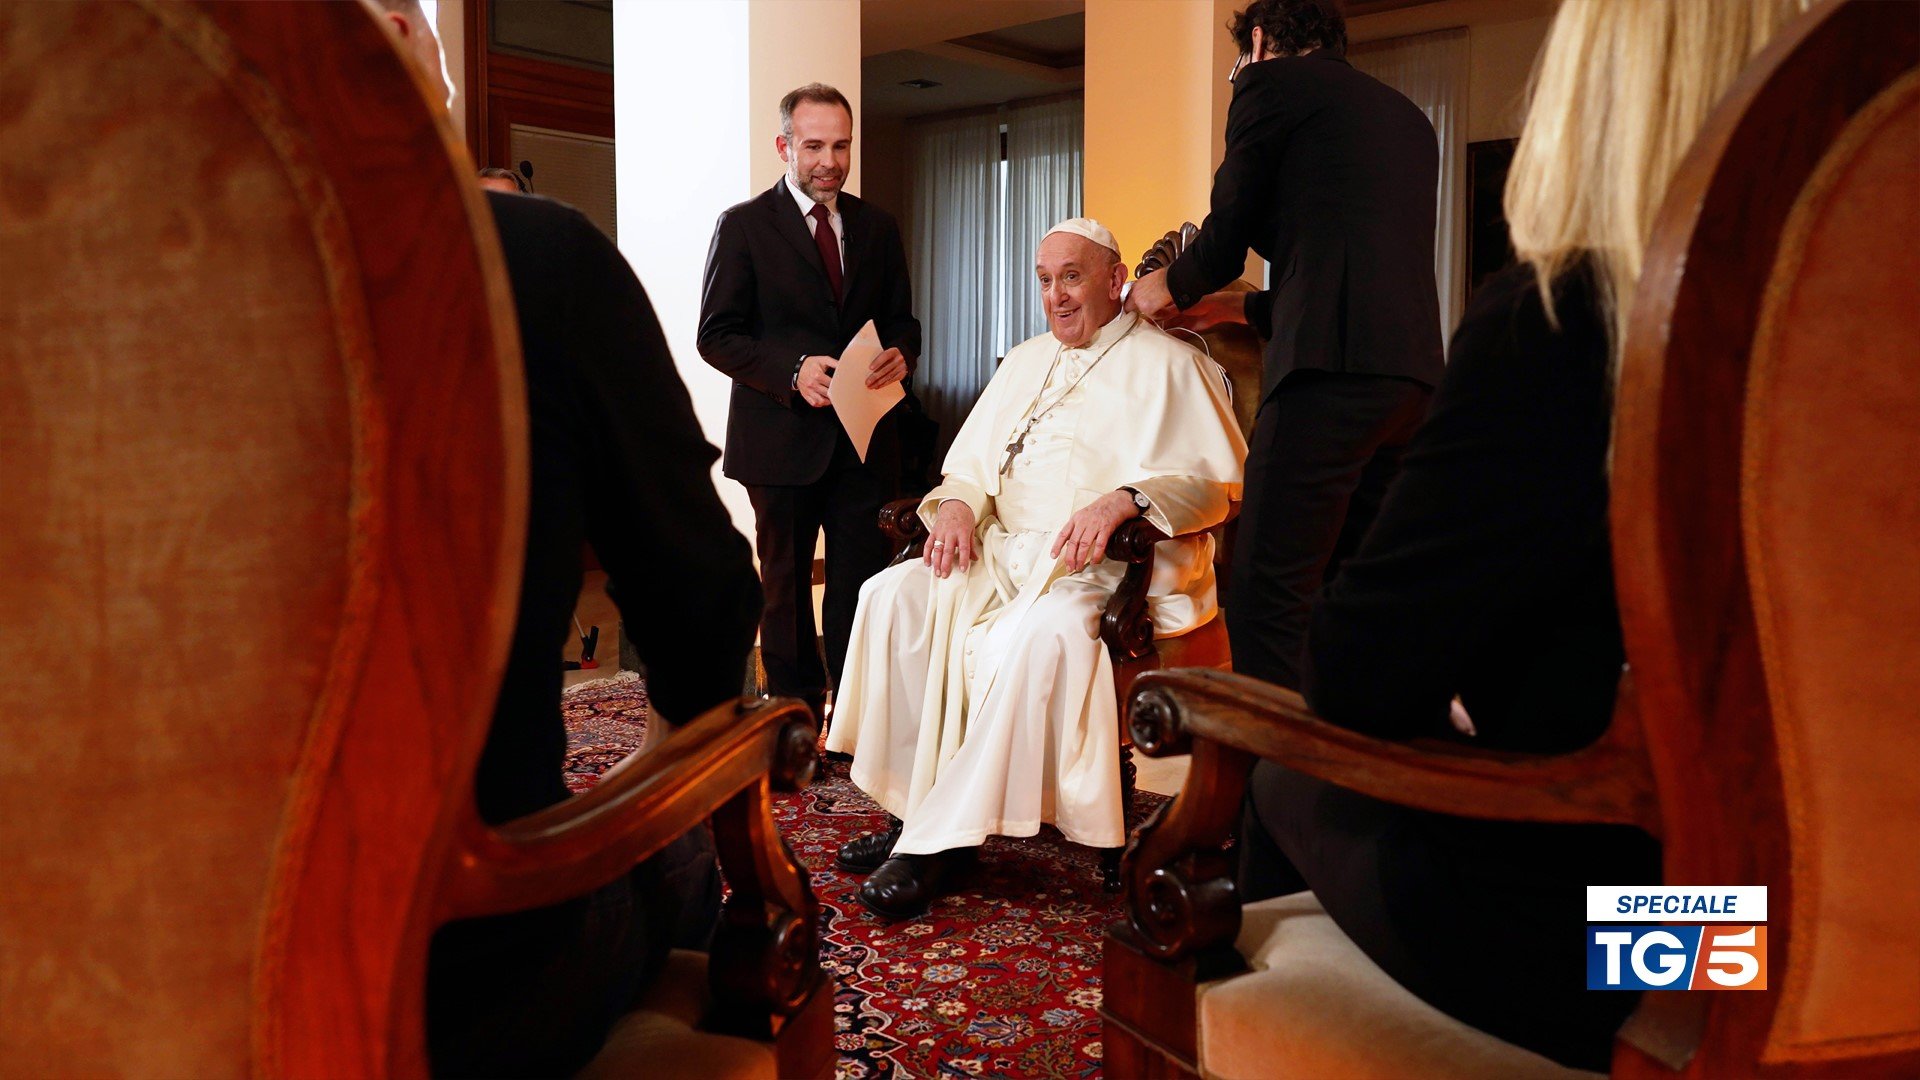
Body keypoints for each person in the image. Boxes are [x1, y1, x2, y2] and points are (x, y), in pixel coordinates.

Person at [1234, 0, 1811, 1069]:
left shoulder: (1567, 323)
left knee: (1271, 768)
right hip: (1850, 928)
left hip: (1652, 944)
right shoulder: (1862, 350)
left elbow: (1356, 678)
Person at [369, 2, 763, 1074]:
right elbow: (703, 602)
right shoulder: (537, 263)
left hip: (108, 987)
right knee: (680, 854)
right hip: (467, 975)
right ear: (402, 48)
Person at [827, 220, 1246, 917]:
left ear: (1116, 282)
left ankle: (938, 847)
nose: (1055, 296)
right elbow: (967, 469)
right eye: (1045, 280)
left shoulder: (1177, 367)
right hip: (1002, 552)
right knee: (891, 595)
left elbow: (1217, 486)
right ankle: (911, 808)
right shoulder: (1023, 360)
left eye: (1072, 277)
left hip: (1097, 571)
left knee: (1044, 632)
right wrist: (957, 506)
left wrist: (1127, 499)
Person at [1126, 0, 1444, 692]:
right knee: (1360, 589)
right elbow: (1346, 258)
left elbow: (1224, 231)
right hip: (1412, 381)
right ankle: (1353, 771)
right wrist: (1236, 307)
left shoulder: (1269, 86)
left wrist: (1165, 287)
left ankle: (1271, 790)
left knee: (1268, 592)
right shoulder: (1408, 118)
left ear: (1262, 41)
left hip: (1328, 376)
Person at [697, 85, 921, 724]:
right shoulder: (742, 226)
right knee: (787, 593)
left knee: (859, 586)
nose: (830, 160)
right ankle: (793, 720)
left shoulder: (878, 226)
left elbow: (904, 323)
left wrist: (904, 354)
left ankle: (852, 723)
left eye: (841, 145)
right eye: (815, 145)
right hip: (779, 442)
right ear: (784, 147)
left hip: (864, 440)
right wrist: (793, 371)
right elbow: (716, 335)